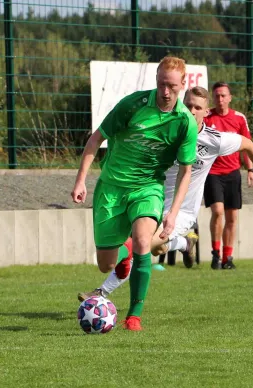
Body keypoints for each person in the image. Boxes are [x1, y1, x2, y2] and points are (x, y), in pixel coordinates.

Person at [78, 86, 253, 304]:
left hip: (182, 212)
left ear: (207, 112)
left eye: (198, 107)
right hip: (153, 200)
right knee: (157, 248)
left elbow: (248, 144)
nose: (192, 110)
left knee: (139, 247)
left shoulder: (215, 140)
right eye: (188, 105)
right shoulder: (167, 129)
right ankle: (185, 243)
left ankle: (101, 293)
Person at [71, 56, 198, 331]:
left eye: (172, 86)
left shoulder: (185, 123)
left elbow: (186, 171)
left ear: (183, 84)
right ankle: (131, 257)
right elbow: (96, 139)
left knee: (142, 241)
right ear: (156, 80)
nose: (166, 92)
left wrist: (173, 213)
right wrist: (81, 180)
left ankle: (134, 316)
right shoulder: (133, 105)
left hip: (148, 188)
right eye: (162, 84)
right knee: (106, 265)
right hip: (112, 188)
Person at [203, 81, 253, 270]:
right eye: (217, 95)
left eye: (223, 95)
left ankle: (228, 257)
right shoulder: (207, 117)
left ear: (230, 98)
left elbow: (247, 146)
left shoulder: (239, 118)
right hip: (212, 173)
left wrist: (251, 170)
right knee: (217, 212)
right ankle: (215, 254)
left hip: (233, 173)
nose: (220, 99)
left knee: (232, 217)